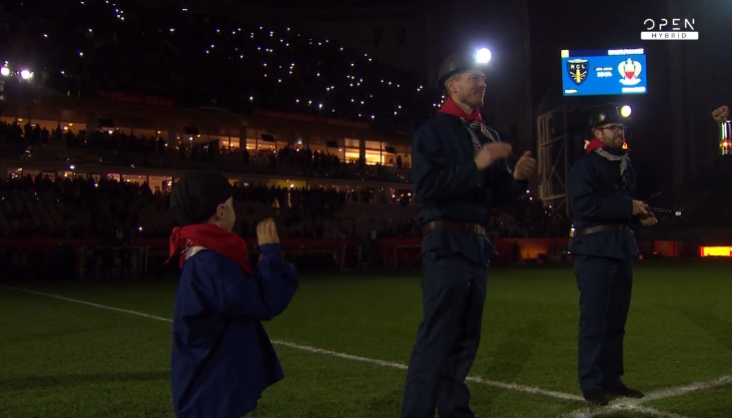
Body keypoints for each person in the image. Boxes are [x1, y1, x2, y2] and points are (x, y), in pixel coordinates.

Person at [401, 50, 536, 418]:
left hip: (476, 245)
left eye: (484, 78)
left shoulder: (487, 133)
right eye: (474, 77)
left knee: (465, 338)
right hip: (445, 242)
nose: (482, 83)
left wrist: (517, 180)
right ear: (452, 85)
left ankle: (455, 411)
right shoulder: (432, 132)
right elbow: (426, 187)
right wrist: (477, 164)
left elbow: (499, 197)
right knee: (438, 336)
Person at [167, 170, 299, 418]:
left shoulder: (203, 257)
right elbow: (262, 301)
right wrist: (270, 255)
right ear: (220, 211)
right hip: (214, 394)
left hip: (211, 389)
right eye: (231, 205)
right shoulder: (208, 264)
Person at [567, 104, 657, 406]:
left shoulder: (625, 165)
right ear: (597, 133)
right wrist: (628, 207)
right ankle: (591, 382)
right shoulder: (585, 166)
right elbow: (584, 206)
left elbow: (619, 208)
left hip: (620, 248)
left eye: (621, 127)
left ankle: (611, 378)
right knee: (595, 319)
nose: (619, 132)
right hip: (594, 250)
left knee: (616, 320)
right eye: (613, 128)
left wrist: (639, 215)